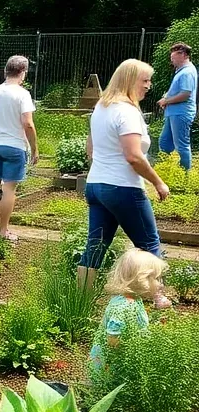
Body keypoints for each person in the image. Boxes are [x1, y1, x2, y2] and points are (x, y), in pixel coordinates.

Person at [78, 59, 171, 306]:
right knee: (149, 243)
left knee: (95, 246)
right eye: (145, 80)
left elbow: (90, 149)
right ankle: (159, 297)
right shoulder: (127, 111)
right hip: (124, 187)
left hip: (96, 185)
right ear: (130, 80)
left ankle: (80, 300)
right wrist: (158, 182)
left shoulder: (102, 107)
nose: (149, 86)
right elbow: (133, 156)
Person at [0, 55, 38, 241]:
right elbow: (27, 123)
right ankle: (4, 231)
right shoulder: (22, 94)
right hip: (14, 146)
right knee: (9, 189)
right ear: (23, 73)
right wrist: (35, 148)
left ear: (6, 71)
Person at [88, 248, 167, 374]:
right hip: (109, 367)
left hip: (121, 363)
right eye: (157, 278)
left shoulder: (134, 300)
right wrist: (129, 355)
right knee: (107, 391)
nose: (160, 284)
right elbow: (112, 338)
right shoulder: (123, 306)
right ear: (142, 279)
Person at [157, 42, 197, 170]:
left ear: (183, 55)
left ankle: (185, 178)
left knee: (181, 145)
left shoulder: (187, 72)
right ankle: (166, 170)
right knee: (164, 143)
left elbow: (185, 94)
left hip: (181, 113)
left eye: (173, 57)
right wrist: (166, 98)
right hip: (173, 113)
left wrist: (166, 101)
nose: (172, 60)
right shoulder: (181, 72)